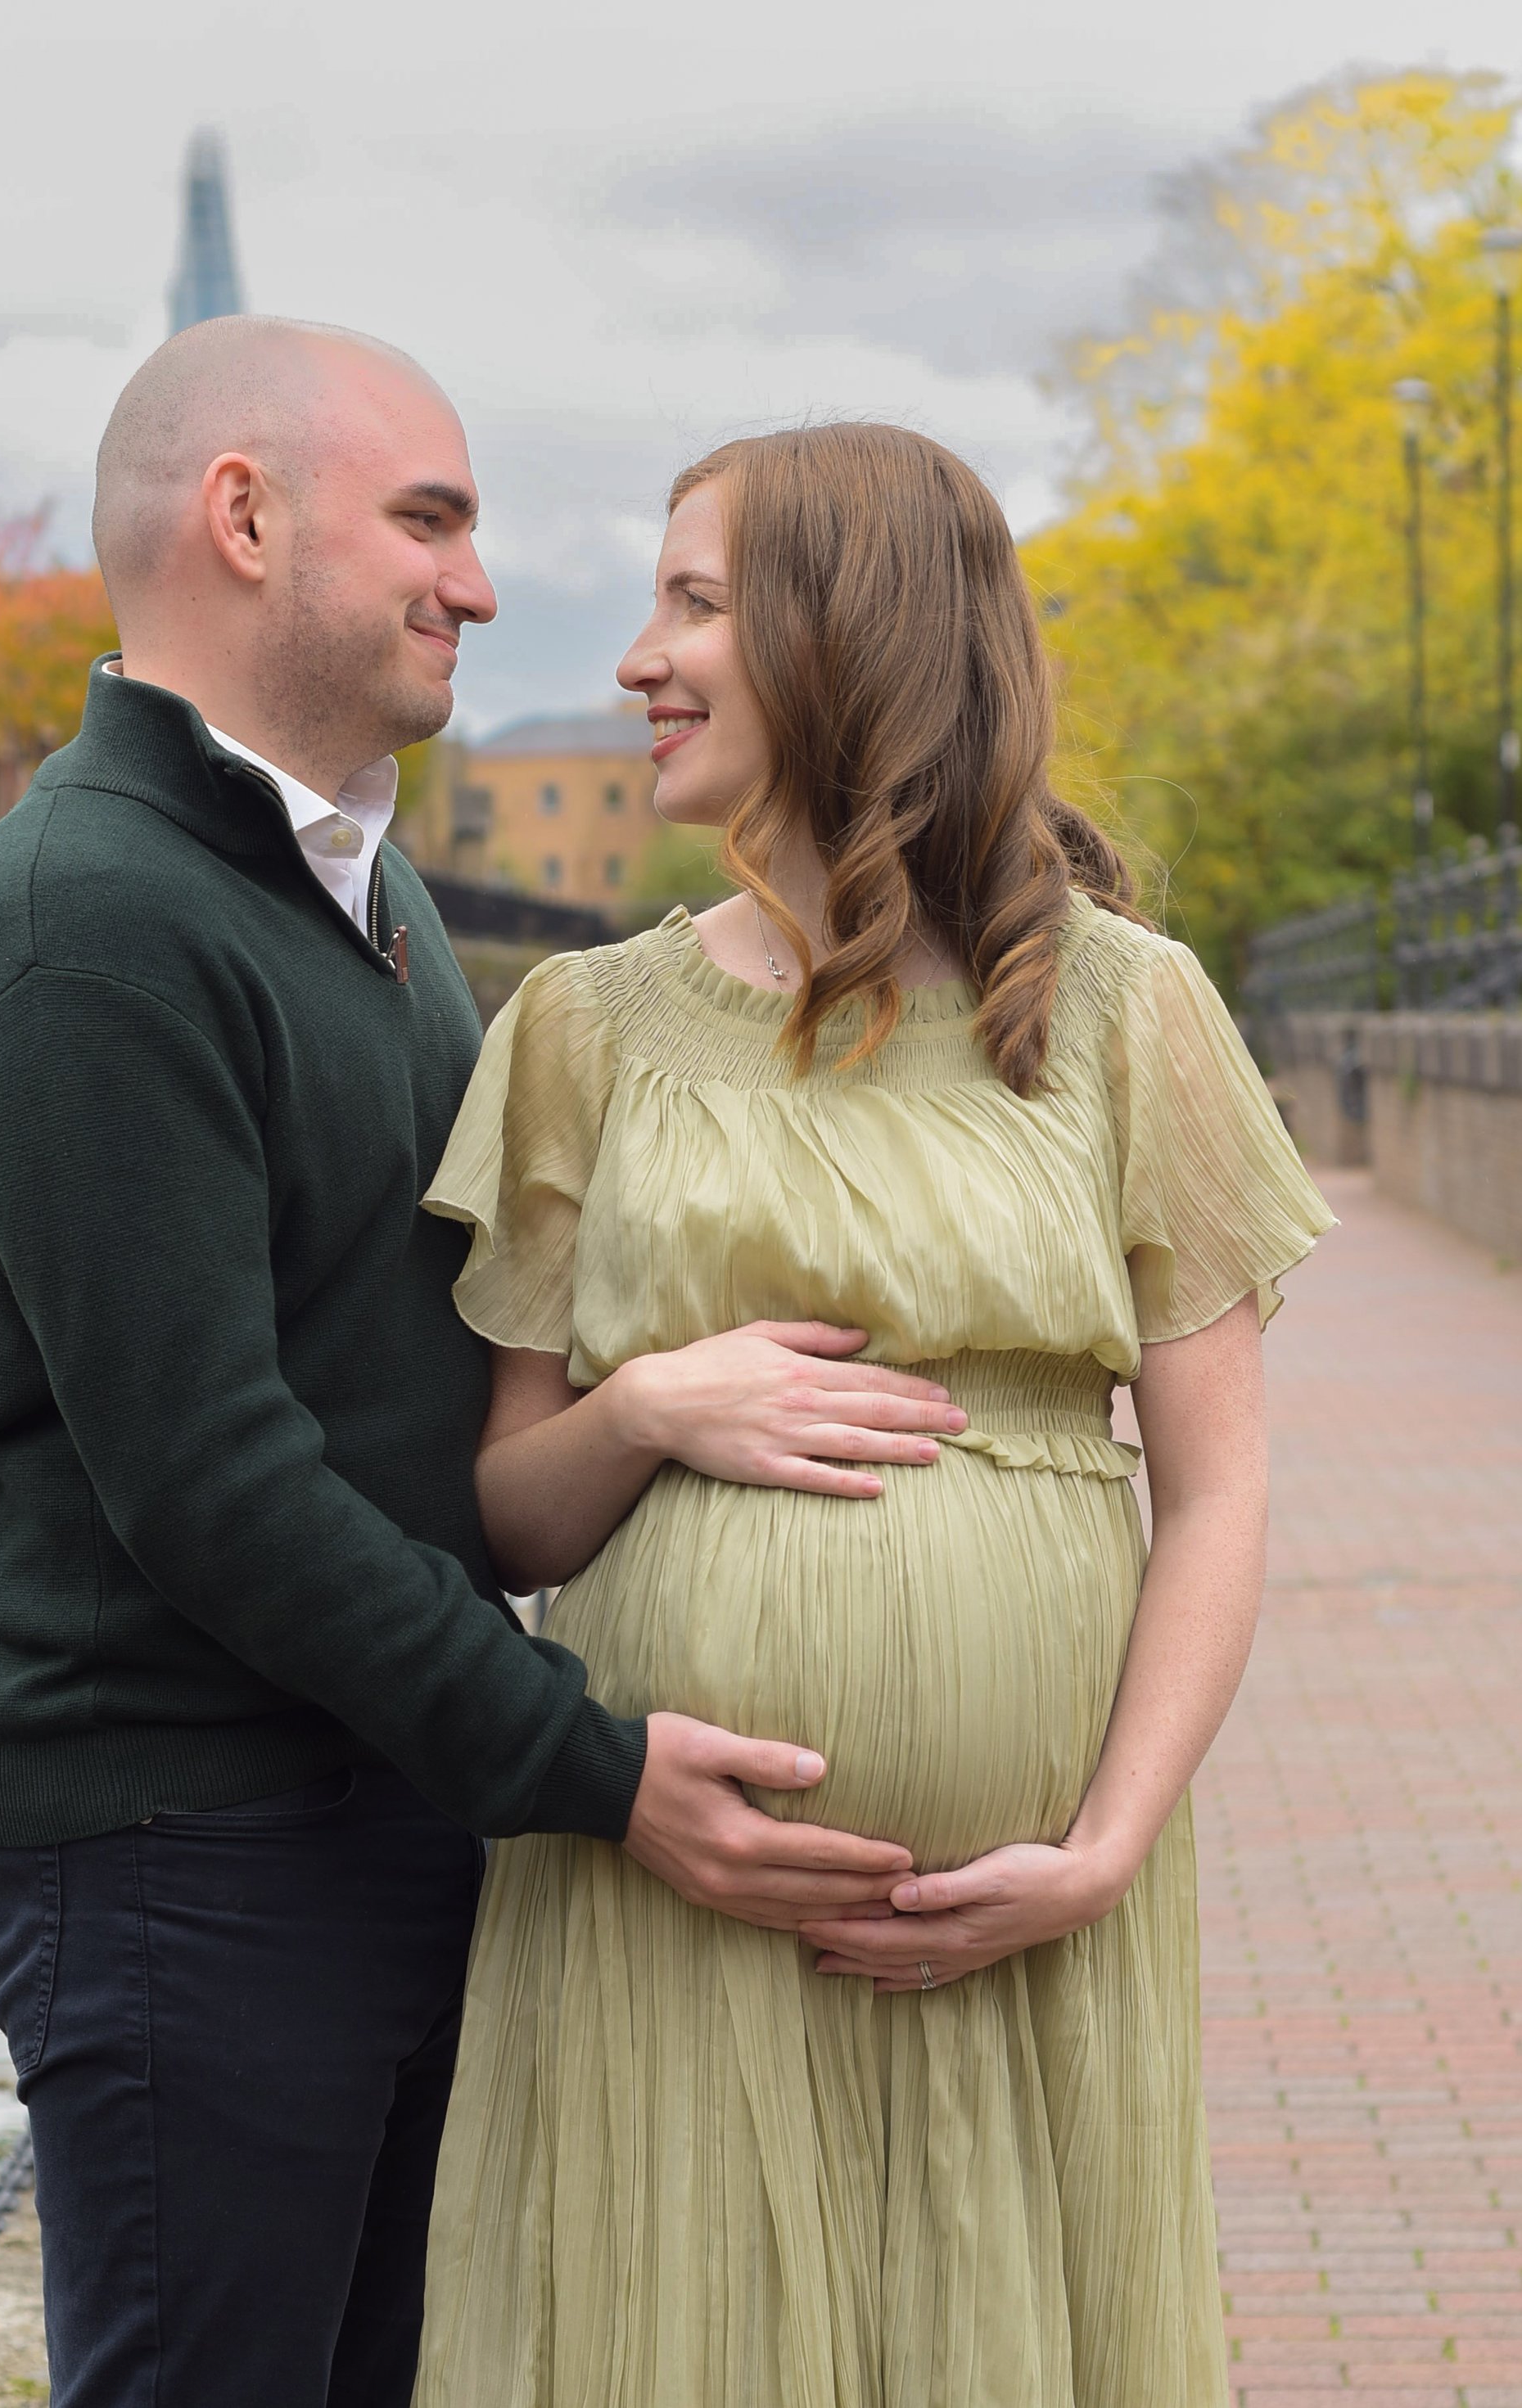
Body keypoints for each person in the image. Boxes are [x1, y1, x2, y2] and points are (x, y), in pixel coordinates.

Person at [0, 322, 964, 2408]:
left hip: (363, 1808)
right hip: (182, 1847)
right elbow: (215, 1484)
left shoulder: (347, 898)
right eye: (431, 521)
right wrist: (589, 1764)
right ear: (243, 518)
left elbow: (448, 1375)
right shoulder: (90, 926)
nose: (478, 584)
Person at [410, 422, 1336, 2408]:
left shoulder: (1117, 1007)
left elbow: (1221, 1488)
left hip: (1020, 1928)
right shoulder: (580, 1030)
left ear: (856, 636)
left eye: (692, 603)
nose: (636, 659)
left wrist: (1102, 1847)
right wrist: (648, 1400)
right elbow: (508, 1519)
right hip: (668, 1903)